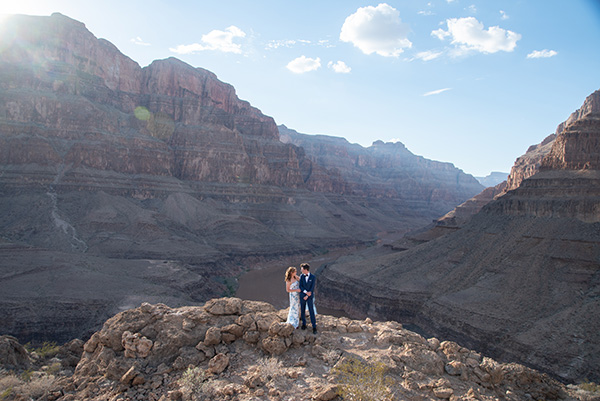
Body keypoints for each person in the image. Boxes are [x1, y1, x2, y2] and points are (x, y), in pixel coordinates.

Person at [299, 262, 317, 334]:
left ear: (306, 269)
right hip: (303, 296)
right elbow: (301, 286)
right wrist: (306, 293)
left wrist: (307, 295)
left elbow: (312, 288)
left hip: (309, 297)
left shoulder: (313, 277)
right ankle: (304, 324)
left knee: (311, 310)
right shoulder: (301, 276)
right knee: (302, 310)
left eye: (302, 269)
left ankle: (314, 326)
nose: (301, 270)